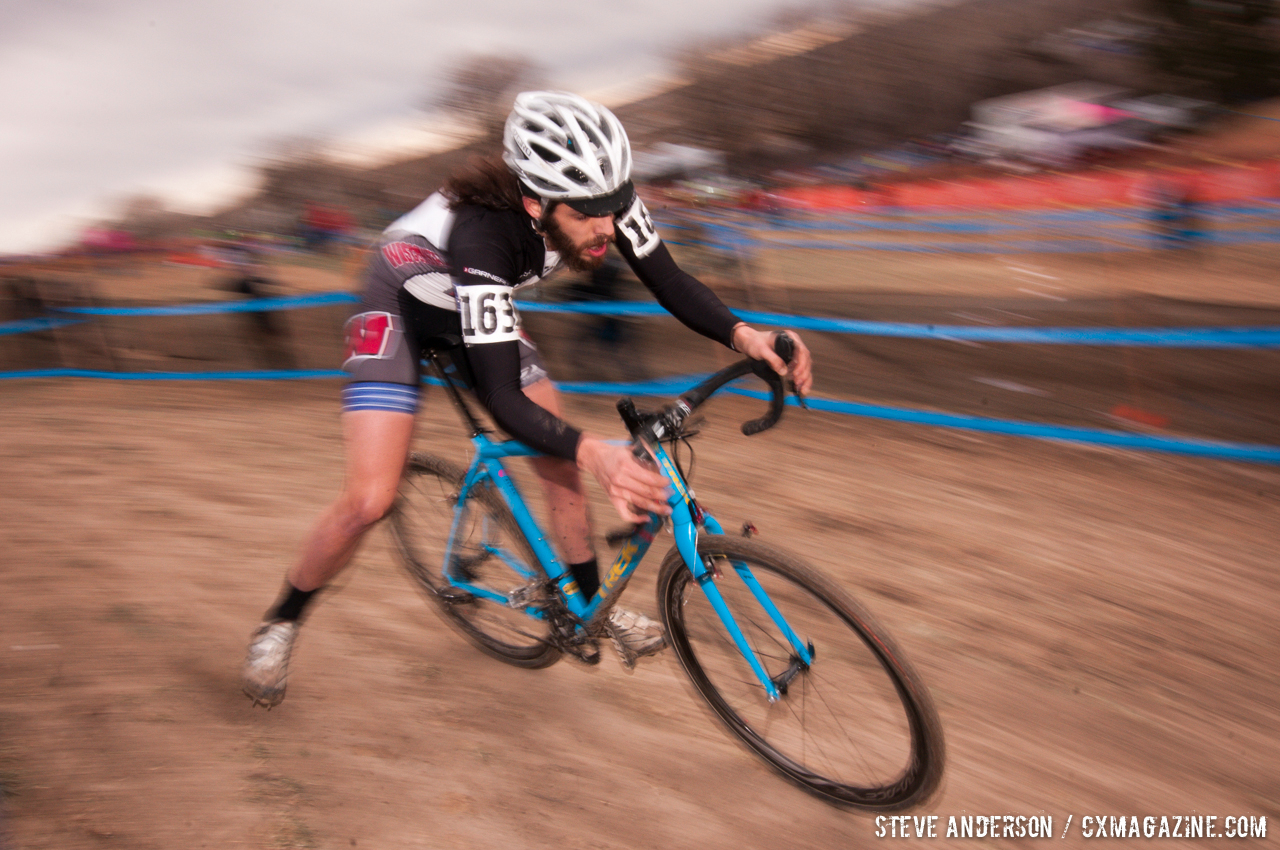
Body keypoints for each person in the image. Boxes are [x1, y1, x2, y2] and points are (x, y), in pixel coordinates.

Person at [242, 91, 813, 708]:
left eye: (615, 207)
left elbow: (668, 278)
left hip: (474, 306)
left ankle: (590, 606)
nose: (607, 227)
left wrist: (745, 334)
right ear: (536, 201)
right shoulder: (484, 237)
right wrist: (601, 454)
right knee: (370, 499)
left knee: (558, 448)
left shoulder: (604, 199)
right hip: (402, 306)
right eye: (590, 214)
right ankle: (282, 620)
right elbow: (500, 394)